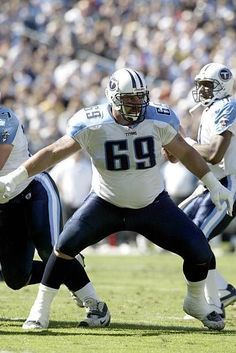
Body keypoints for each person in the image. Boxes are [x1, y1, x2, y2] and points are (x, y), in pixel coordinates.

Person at [0, 68, 233, 331]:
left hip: (152, 205)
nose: (137, 104)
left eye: (140, 97)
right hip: (105, 203)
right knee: (63, 248)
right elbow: (53, 152)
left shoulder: (159, 117)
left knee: (200, 250)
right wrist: (16, 177)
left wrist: (213, 185)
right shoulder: (93, 122)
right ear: (113, 98)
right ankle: (40, 310)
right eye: (130, 98)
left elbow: (186, 152)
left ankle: (195, 302)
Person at [0, 104, 110, 328]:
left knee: (51, 249)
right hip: (4, 204)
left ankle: (96, 305)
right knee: (16, 277)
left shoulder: (4, 118)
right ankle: (69, 267)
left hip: (32, 190)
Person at [179, 62, 236, 315]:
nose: (201, 90)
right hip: (211, 184)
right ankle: (222, 289)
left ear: (221, 86)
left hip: (230, 183)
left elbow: (214, 154)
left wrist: (183, 146)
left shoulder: (229, 106)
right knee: (179, 232)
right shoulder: (211, 110)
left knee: (196, 239)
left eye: (207, 85)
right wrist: (180, 150)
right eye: (200, 85)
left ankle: (214, 303)